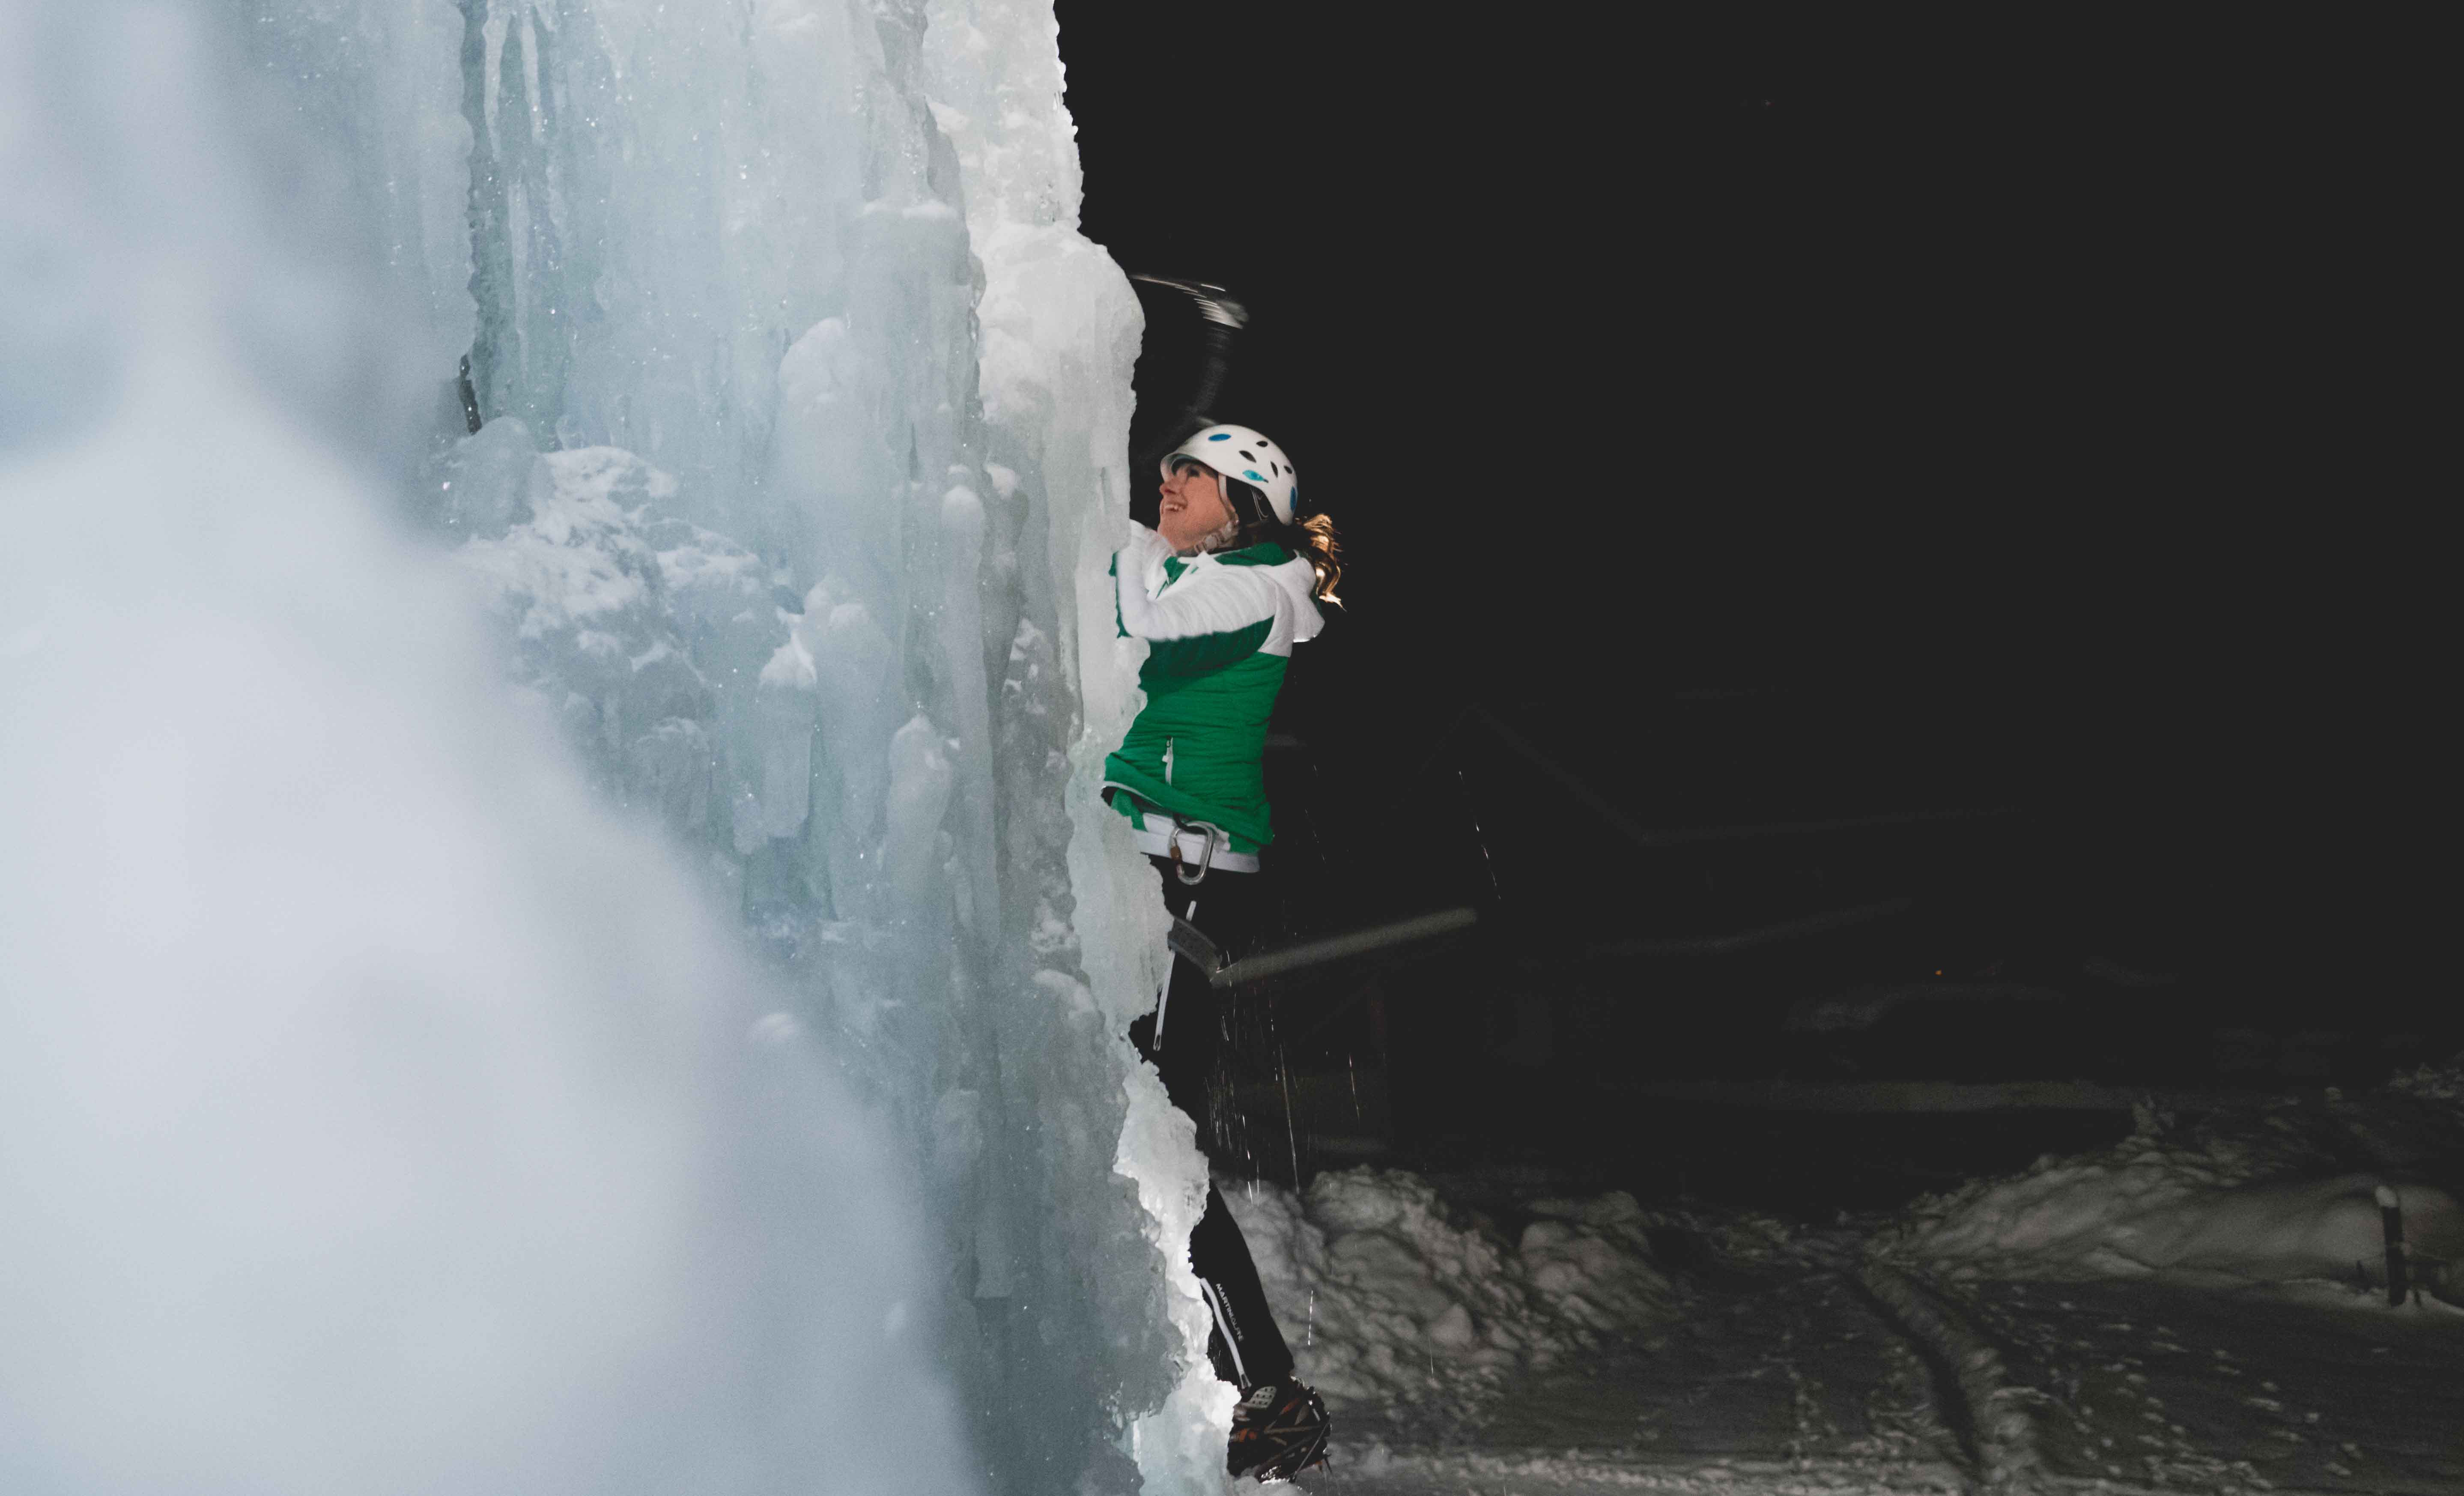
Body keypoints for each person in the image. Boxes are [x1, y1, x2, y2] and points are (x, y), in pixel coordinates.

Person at [1104, 423, 1342, 1482]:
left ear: (1243, 505)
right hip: (1154, 869)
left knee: (1155, 1138)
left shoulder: (1258, 586)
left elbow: (1142, 633)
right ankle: (1234, 1382)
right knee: (1136, 1130)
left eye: (1192, 476)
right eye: (1168, 472)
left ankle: (1269, 1394)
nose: (1169, 486)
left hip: (1180, 881)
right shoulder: (1216, 577)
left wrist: (1098, 529)